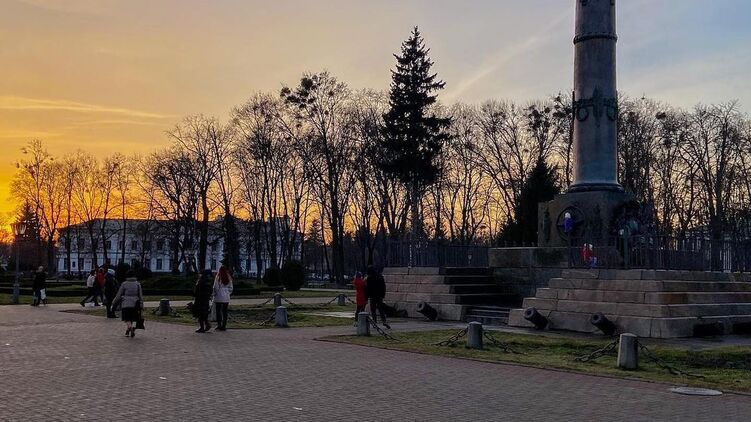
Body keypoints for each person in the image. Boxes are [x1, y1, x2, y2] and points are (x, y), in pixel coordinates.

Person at [111, 271, 144, 338]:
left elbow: (119, 295)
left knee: (126, 318)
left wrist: (113, 302)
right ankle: (128, 330)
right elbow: (140, 295)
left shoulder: (124, 284)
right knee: (132, 318)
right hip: (135, 303)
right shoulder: (138, 284)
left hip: (126, 303)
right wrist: (141, 303)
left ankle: (130, 328)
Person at [212, 266, 234, 331]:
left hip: (218, 296)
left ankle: (219, 325)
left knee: (218, 311)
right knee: (225, 311)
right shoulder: (228, 277)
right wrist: (227, 292)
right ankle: (224, 325)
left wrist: (214, 293)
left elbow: (215, 287)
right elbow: (231, 288)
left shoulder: (218, 276)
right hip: (226, 296)